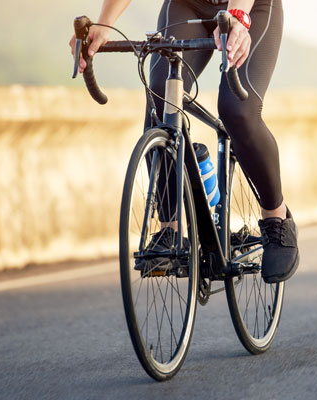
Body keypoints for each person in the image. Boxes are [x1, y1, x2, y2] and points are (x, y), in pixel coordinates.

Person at [70, 0, 298, 283]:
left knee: (237, 110)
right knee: (161, 95)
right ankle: (171, 227)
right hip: (187, 4)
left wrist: (239, 17)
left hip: (251, 6)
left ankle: (276, 217)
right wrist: (104, 23)